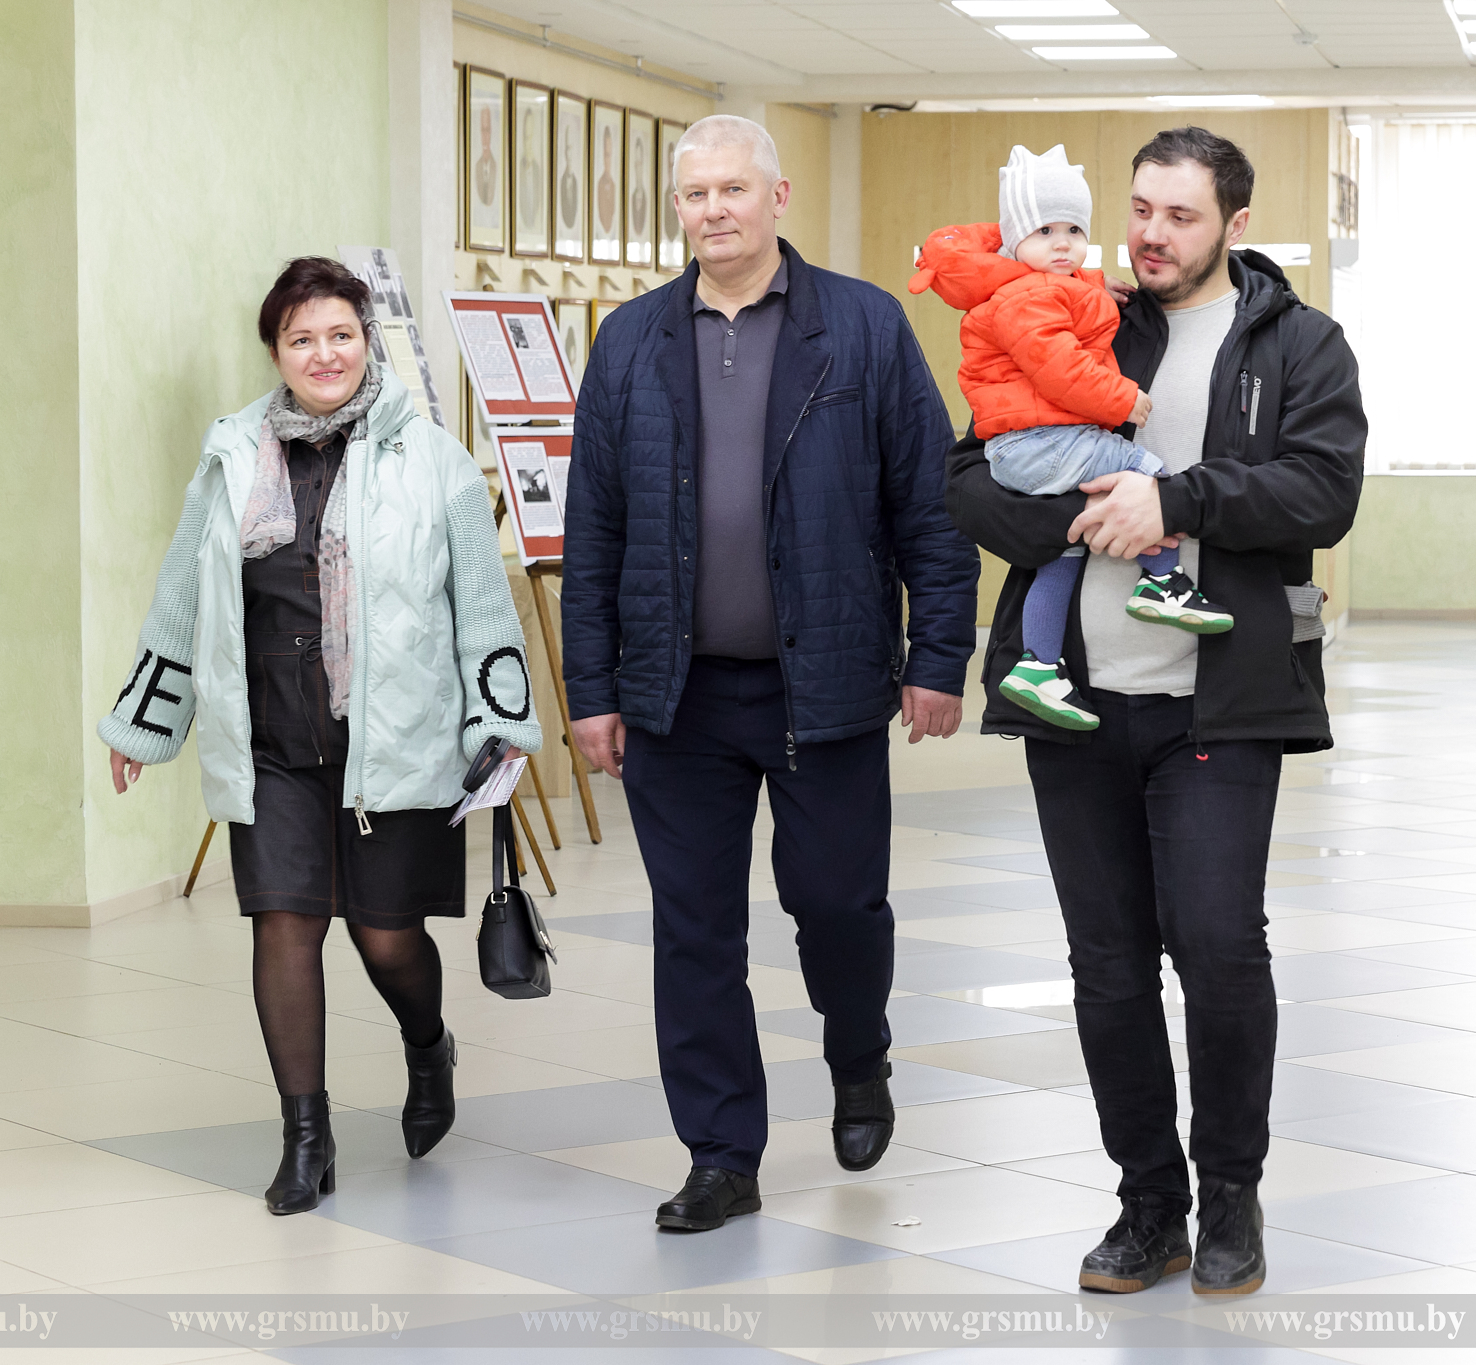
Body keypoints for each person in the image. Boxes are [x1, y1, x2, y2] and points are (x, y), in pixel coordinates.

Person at [944, 127, 1365, 1296]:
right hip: (1076, 701)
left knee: (1219, 950)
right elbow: (969, 473)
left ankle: (1230, 1196)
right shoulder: (1074, 314)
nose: (1148, 235)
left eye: (1179, 216)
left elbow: (1321, 492)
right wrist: (1075, 519)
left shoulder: (1296, 344)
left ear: (1233, 225)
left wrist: (1174, 502)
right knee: (1107, 965)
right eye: (1138, 209)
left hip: (1218, 705)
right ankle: (1146, 1207)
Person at [564, 114, 978, 1232]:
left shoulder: (864, 326)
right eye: (694, 193)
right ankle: (720, 1153)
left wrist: (938, 657)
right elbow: (592, 530)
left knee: (837, 905)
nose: (713, 210)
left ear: (777, 197)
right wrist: (591, 689)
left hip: (824, 685)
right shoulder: (630, 341)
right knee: (694, 929)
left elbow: (931, 509)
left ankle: (858, 1054)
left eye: (733, 189)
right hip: (675, 695)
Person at [101, 257, 539, 1216]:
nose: (324, 353)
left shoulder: (432, 459)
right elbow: (185, 594)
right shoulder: (233, 458)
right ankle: (307, 1137)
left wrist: (500, 724)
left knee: (386, 938)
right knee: (285, 924)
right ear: (276, 352)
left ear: (366, 341)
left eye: (340, 334)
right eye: (301, 338)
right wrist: (145, 717)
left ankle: (428, 1047)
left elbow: (481, 603)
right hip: (274, 740)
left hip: (398, 738)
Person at [911, 143, 1234, 734]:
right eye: (1044, 232)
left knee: (1061, 556)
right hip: (1041, 442)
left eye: (1074, 230)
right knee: (1149, 473)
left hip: (1031, 443)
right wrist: (1122, 400)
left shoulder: (1040, 286)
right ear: (1014, 240)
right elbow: (1058, 366)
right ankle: (1161, 580)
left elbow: (1063, 299)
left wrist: (1093, 286)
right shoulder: (1027, 296)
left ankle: (1038, 665)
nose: (1062, 245)